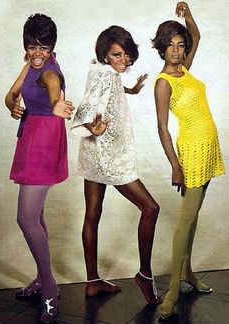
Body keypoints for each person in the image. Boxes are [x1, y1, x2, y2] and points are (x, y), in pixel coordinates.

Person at [71, 25, 161, 304]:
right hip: (107, 154)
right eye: (116, 55)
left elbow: (108, 88)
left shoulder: (101, 70)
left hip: (91, 152)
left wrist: (131, 89)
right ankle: (144, 276)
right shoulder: (105, 74)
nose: (123, 61)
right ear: (105, 54)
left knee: (92, 214)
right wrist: (92, 127)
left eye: (126, 55)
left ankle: (92, 282)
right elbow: (85, 108)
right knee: (151, 208)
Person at [152, 2, 225, 319]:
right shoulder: (165, 82)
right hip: (191, 152)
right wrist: (175, 166)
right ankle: (171, 291)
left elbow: (196, 34)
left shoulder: (186, 70)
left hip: (208, 147)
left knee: (193, 215)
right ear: (162, 48)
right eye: (171, 45)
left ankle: (189, 274)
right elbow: (162, 127)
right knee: (185, 220)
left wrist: (188, 15)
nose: (177, 51)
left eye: (181, 45)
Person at [5, 13, 73, 323]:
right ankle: (41, 278)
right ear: (26, 46)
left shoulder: (50, 72)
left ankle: (48, 288)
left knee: (25, 217)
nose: (37, 54)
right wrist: (13, 104)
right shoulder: (30, 64)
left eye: (44, 48)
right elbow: (12, 93)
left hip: (43, 142)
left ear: (52, 49)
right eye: (32, 46)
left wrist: (57, 103)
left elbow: (53, 88)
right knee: (37, 216)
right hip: (30, 136)